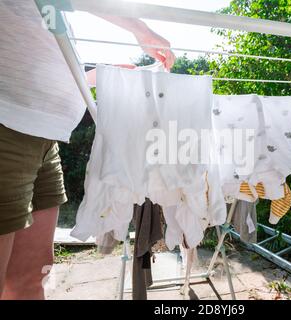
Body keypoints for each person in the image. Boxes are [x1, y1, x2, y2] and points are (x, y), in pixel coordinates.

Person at [0, 0, 175, 300]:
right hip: (8, 125)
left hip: (46, 139)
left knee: (32, 274)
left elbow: (44, 58)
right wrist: (141, 29)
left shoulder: (48, 14)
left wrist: (96, 75)